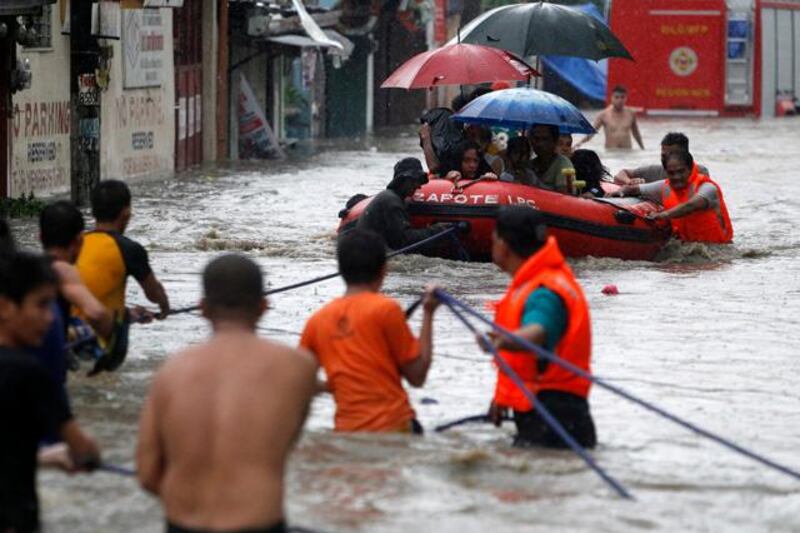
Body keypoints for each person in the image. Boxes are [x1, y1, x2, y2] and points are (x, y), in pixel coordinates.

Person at [137, 254, 316, 533]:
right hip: (258, 523)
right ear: (263, 306)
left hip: (183, 524)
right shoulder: (297, 367)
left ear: (203, 308)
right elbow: (283, 444)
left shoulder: (170, 373)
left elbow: (148, 474)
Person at [300, 229, 439, 433]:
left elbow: (300, 381)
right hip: (393, 427)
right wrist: (428, 313)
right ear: (384, 270)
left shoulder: (318, 320)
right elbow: (417, 376)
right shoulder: (386, 309)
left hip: (345, 433)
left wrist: (337, 384)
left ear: (340, 268)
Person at [0, 249, 100, 533]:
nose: (50, 318)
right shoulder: (29, 373)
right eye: (42, 305)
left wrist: (41, 457)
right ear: (6, 306)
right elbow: (83, 451)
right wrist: (85, 454)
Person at [481, 206, 595, 448]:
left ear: (503, 244)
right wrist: (503, 397)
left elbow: (539, 330)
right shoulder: (539, 280)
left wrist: (505, 340)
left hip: (555, 417)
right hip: (548, 410)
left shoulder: (544, 292)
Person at [76, 180, 170, 324]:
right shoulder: (129, 249)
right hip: (98, 338)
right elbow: (153, 294)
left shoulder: (76, 244)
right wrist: (164, 305)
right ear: (126, 213)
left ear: (94, 212)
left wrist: (128, 314)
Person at [611, 150, 733, 243]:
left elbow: (691, 205)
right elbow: (634, 189)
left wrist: (662, 215)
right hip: (688, 247)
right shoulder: (665, 187)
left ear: (691, 170)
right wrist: (621, 191)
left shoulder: (708, 188)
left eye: (681, 171)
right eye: (671, 173)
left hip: (717, 251)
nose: (676, 177)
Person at [357, 158, 449, 250]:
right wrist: (438, 230)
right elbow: (405, 240)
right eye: (415, 180)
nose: (419, 186)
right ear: (402, 180)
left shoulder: (392, 198)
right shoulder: (391, 202)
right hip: (371, 253)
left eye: (419, 181)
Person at [613, 132, 709, 185]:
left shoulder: (700, 171)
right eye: (663, 155)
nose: (664, 159)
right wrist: (630, 182)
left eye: (669, 155)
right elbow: (620, 175)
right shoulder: (655, 171)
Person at [575, 85, 644, 150]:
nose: (620, 100)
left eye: (622, 97)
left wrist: (642, 148)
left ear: (626, 98)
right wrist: (578, 144)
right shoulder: (603, 114)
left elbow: (636, 133)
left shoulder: (631, 113)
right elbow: (591, 133)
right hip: (611, 155)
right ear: (611, 98)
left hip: (627, 152)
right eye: (616, 97)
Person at [527, 124, 575, 194]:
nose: (540, 144)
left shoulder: (563, 163)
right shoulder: (530, 164)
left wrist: (536, 182)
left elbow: (564, 196)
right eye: (536, 139)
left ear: (554, 141)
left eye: (545, 139)